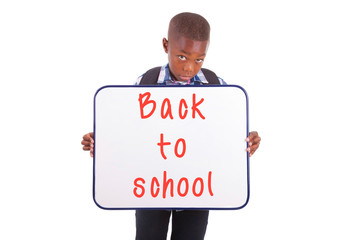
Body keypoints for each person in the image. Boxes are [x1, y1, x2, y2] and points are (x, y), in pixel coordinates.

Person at [81, 12, 261, 240]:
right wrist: (104, 140)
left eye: (199, 59)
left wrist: (246, 139)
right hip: (150, 188)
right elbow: (128, 129)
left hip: (198, 190)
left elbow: (226, 133)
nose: (189, 68)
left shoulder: (217, 87)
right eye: (182, 57)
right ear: (166, 45)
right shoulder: (146, 83)